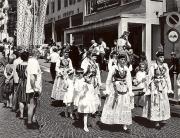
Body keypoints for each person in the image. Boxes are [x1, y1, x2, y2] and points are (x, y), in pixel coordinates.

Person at [101, 53, 134, 132]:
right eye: (121, 59)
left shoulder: (126, 69)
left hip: (124, 89)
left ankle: (124, 123)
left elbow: (129, 81)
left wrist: (130, 91)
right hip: (115, 89)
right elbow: (108, 79)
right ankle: (113, 120)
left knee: (124, 105)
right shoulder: (114, 68)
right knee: (115, 104)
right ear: (118, 60)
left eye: (124, 60)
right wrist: (107, 89)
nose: (123, 61)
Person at [142, 51, 173, 129]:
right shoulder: (153, 66)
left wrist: (169, 88)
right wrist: (148, 88)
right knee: (156, 102)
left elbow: (167, 77)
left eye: (163, 57)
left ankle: (162, 117)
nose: (162, 59)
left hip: (163, 86)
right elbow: (149, 77)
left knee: (163, 102)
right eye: (160, 57)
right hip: (155, 86)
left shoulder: (165, 66)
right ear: (157, 58)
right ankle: (156, 120)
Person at [25, 49, 42, 129]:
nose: (40, 54)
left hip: (30, 87)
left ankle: (32, 120)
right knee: (32, 105)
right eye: (39, 53)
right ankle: (29, 122)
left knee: (33, 104)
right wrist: (34, 88)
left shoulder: (30, 61)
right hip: (33, 88)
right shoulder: (34, 62)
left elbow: (26, 73)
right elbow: (32, 77)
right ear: (36, 54)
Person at [16, 51, 29, 119]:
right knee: (28, 99)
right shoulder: (29, 65)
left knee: (21, 99)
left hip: (21, 82)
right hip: (28, 82)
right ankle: (27, 113)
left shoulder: (18, 66)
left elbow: (18, 74)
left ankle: (21, 114)